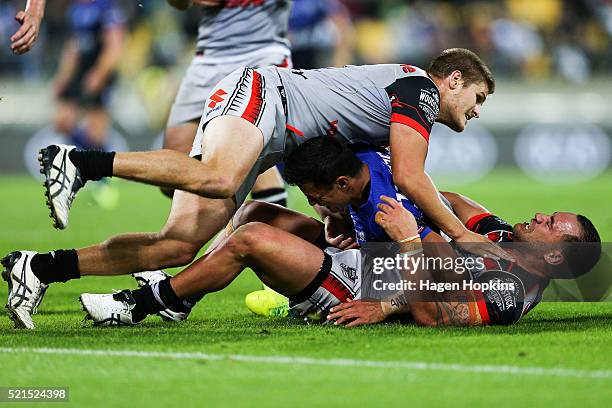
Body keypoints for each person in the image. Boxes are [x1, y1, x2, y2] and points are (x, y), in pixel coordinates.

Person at [6, 49, 508, 329]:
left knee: (178, 245)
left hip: (274, 134)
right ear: (454, 80)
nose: (477, 110)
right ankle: (80, 161)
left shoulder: (400, 97)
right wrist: (465, 236)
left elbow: (358, 162)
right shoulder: (419, 90)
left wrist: (338, 217)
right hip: (268, 99)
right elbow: (409, 177)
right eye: (478, 97)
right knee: (220, 179)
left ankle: (41, 268)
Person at [75, 190, 601, 327]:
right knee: (257, 209)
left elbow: (434, 314)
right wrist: (357, 220)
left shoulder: (512, 291)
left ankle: (144, 302)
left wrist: (410, 244)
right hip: (371, 259)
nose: (539, 216)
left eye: (552, 223)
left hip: (366, 289)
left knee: (251, 239)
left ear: (554, 256)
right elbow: (453, 202)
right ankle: (183, 298)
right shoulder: (503, 237)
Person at [162, 0, 292, 204]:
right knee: (171, 175)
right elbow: (181, 5)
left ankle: (269, 224)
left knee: (245, 147)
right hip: (209, 58)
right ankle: (232, 217)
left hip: (261, 52)